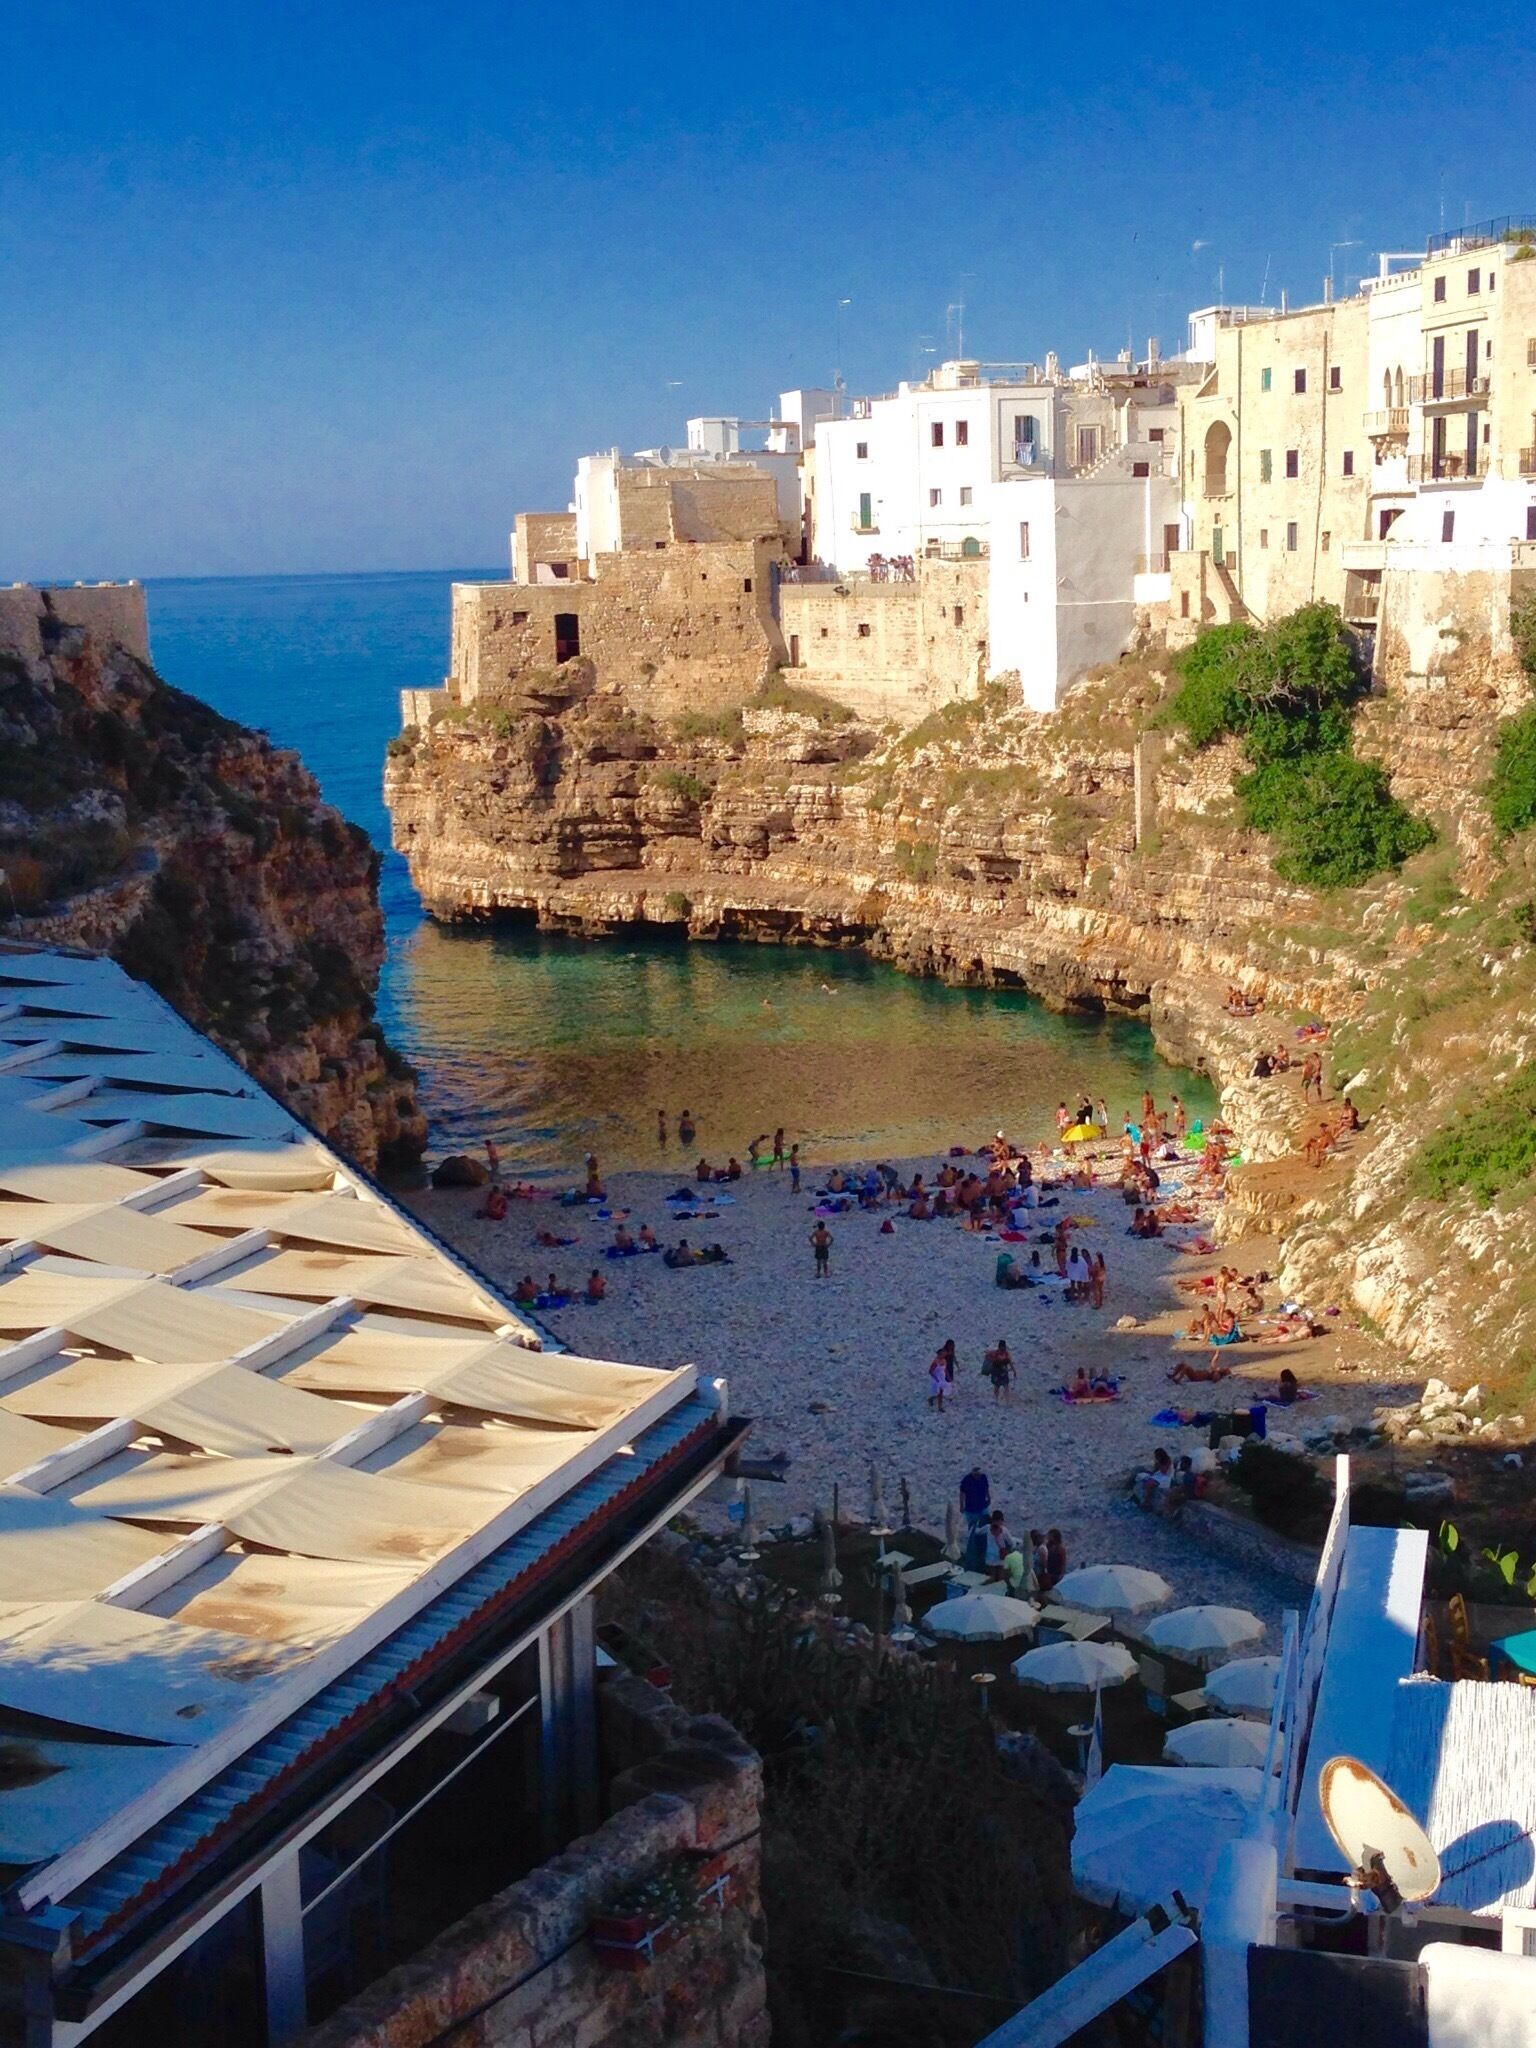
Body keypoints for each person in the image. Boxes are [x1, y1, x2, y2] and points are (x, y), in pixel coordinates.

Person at [960, 1464, 991, 1529]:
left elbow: (986, 1488)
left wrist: (988, 1497)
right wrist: (961, 1505)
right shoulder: (966, 1480)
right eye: (976, 1475)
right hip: (971, 1509)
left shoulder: (983, 1477)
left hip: (982, 1506)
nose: (977, 1477)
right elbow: (962, 1493)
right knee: (972, 1527)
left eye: (978, 1475)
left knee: (986, 1525)